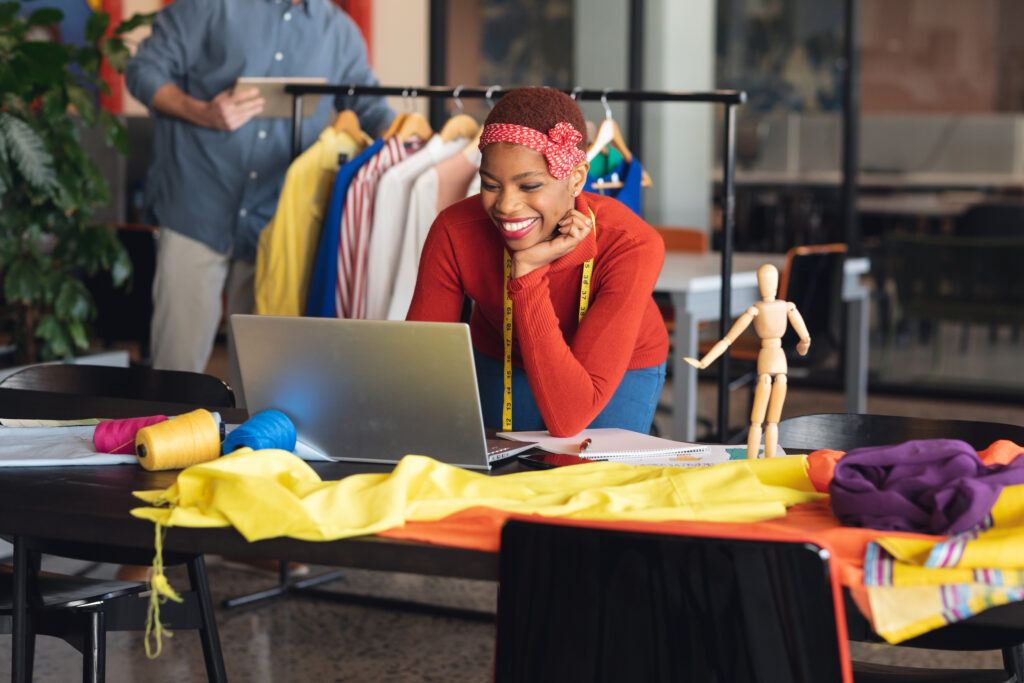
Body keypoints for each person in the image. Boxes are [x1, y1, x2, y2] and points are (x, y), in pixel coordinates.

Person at [125, 0, 393, 373]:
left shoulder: (339, 31)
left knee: (259, 379)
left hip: (273, 222)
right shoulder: (208, 6)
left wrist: (409, 140)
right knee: (175, 371)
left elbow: (371, 107)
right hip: (196, 207)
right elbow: (143, 71)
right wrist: (201, 111)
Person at [406, 87, 668, 437]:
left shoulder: (630, 244)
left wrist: (526, 273)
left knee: (593, 482)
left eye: (529, 186)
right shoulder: (455, 231)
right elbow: (421, 362)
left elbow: (569, 417)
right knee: (502, 479)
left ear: (576, 178)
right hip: (501, 355)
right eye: (491, 185)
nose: (506, 206)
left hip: (617, 368)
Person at [684, 263, 810, 459]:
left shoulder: (756, 310)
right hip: (779, 359)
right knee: (772, 421)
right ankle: (766, 459)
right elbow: (805, 338)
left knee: (757, 421)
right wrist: (802, 348)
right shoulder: (787, 307)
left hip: (768, 357)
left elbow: (727, 340)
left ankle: (753, 459)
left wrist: (705, 362)